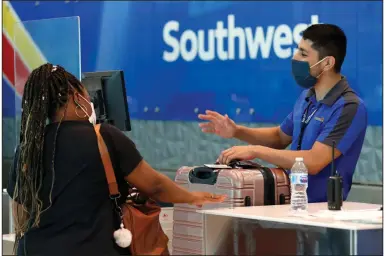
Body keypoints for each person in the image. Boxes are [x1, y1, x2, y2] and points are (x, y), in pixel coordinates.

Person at [8, 63, 226, 256]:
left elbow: (20, 214)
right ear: (76, 97)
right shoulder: (104, 137)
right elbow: (156, 186)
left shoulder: (26, 149)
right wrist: (191, 196)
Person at [198, 24, 367, 203]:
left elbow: (314, 161)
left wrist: (255, 150)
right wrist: (237, 131)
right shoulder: (307, 97)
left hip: (323, 213)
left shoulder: (349, 106)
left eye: (303, 54)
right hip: (289, 204)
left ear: (327, 63)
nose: (295, 58)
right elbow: (280, 136)